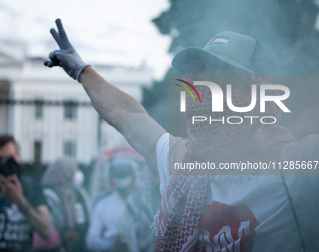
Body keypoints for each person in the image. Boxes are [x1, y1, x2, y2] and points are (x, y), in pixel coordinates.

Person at [44, 19, 319, 251]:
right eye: (198, 79)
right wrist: (83, 71)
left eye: (222, 79)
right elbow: (127, 115)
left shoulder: (296, 169)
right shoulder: (180, 161)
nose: (203, 93)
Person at [0, 133, 52, 252]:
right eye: (0, 159)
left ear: (18, 157)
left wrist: (19, 200)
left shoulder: (31, 186)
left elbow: (46, 231)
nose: (6, 164)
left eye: (10, 159)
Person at [85, 157, 137, 252]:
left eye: (123, 172)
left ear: (134, 177)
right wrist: (114, 246)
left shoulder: (143, 203)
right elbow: (91, 240)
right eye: (118, 173)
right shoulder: (103, 205)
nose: (120, 176)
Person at [41, 156, 92, 252]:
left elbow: (88, 215)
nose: (77, 173)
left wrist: (79, 232)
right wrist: (63, 234)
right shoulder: (48, 194)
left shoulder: (79, 192)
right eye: (74, 169)